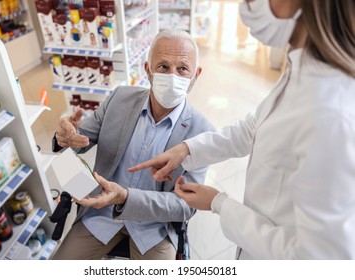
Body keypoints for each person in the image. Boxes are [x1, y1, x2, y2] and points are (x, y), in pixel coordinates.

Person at [129, 0, 355, 259]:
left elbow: (319, 259)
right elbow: (253, 128)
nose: (248, 5)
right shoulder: (301, 69)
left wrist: (219, 204)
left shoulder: (331, 112)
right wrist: (186, 149)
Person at [51, 29, 216, 260]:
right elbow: (78, 141)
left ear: (196, 74)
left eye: (182, 69)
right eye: (163, 67)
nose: (172, 77)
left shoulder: (202, 131)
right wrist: (64, 136)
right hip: (101, 214)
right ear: (147, 69)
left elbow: (185, 206)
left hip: (154, 227)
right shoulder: (119, 99)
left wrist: (126, 198)